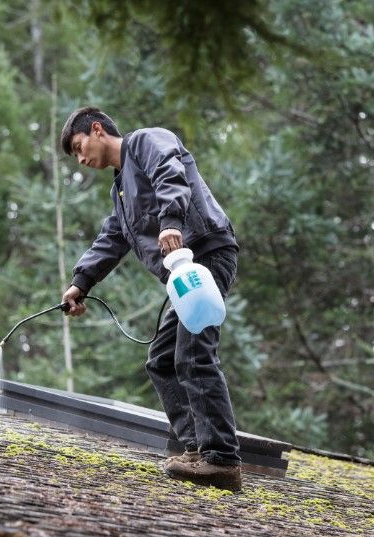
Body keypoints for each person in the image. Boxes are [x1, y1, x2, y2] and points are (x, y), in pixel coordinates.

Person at [60, 107, 242, 492]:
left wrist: (171, 223)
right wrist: (81, 282)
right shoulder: (121, 191)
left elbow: (170, 173)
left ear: (97, 129)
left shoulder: (145, 141)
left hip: (204, 255)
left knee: (193, 354)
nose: (81, 159)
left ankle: (222, 458)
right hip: (183, 276)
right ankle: (197, 450)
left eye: (79, 147)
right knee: (162, 360)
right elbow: (112, 238)